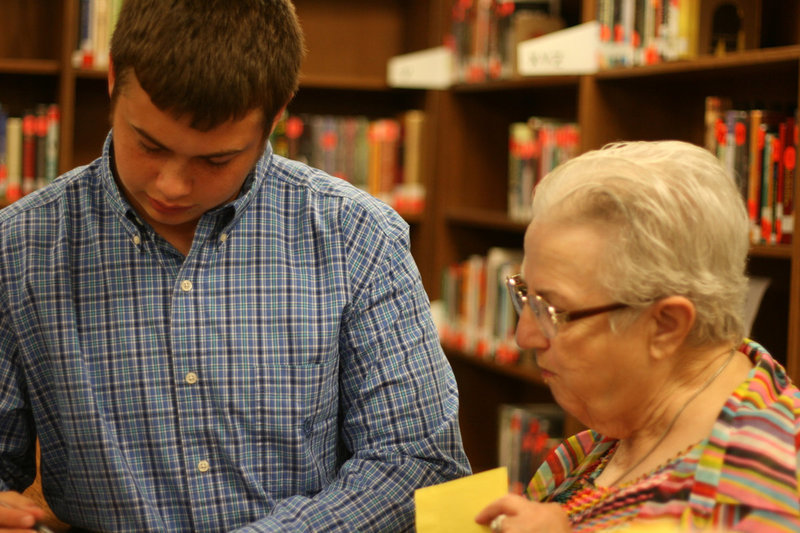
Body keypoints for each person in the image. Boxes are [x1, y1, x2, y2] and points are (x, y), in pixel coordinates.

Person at [0, 0, 470, 531]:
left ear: (277, 113)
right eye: (148, 145)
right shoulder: (19, 249)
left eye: (214, 160)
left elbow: (420, 463)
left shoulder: (355, 238)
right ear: (112, 79)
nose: (171, 186)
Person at [475, 141, 800, 532]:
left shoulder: (753, 496)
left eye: (551, 310)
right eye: (525, 294)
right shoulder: (620, 425)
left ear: (665, 325)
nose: (523, 335)